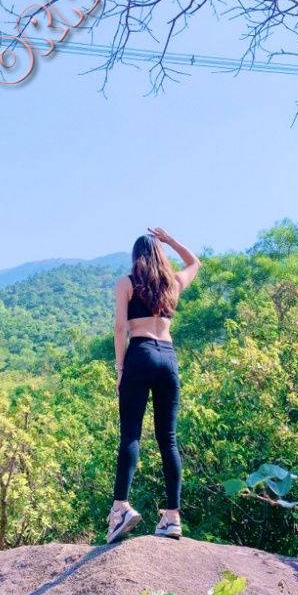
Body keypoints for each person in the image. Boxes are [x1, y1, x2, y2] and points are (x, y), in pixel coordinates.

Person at [106, 227, 201, 544]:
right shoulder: (172, 283)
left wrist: (120, 369)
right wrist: (172, 241)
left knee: (131, 434)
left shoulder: (126, 283)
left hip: (140, 353)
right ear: (160, 255)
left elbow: (120, 329)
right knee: (168, 440)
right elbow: (195, 263)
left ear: (136, 258)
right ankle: (172, 517)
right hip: (168, 359)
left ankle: (120, 508)